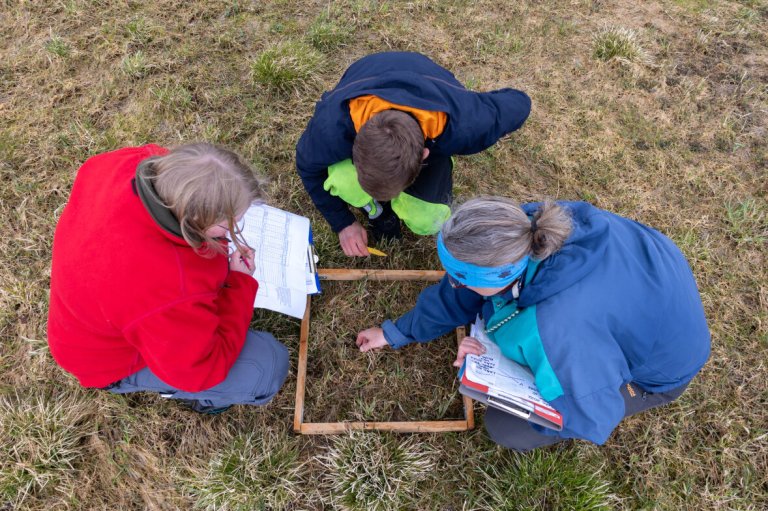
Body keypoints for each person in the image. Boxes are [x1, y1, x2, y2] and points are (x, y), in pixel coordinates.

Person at [356, 197, 710, 450]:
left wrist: (494, 361)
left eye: (463, 279)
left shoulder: (560, 332)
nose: (456, 284)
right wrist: (396, 332)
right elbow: (460, 294)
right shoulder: (530, 223)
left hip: (659, 370)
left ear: (501, 274)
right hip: (651, 282)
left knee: (506, 427)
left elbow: (591, 411)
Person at [47, 143, 289, 414]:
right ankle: (205, 401)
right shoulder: (168, 288)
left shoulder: (127, 164)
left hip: (95, 313)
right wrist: (239, 284)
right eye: (228, 225)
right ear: (194, 221)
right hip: (105, 357)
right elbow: (201, 371)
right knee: (267, 366)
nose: (233, 231)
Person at [295, 51, 531, 257]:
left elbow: (520, 102)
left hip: (431, 83)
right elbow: (307, 167)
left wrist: (464, 100)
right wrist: (343, 223)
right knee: (342, 181)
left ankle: (407, 200)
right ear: (355, 144)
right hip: (370, 70)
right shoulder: (332, 127)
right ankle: (377, 213)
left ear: (424, 155)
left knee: (427, 219)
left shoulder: (464, 125)